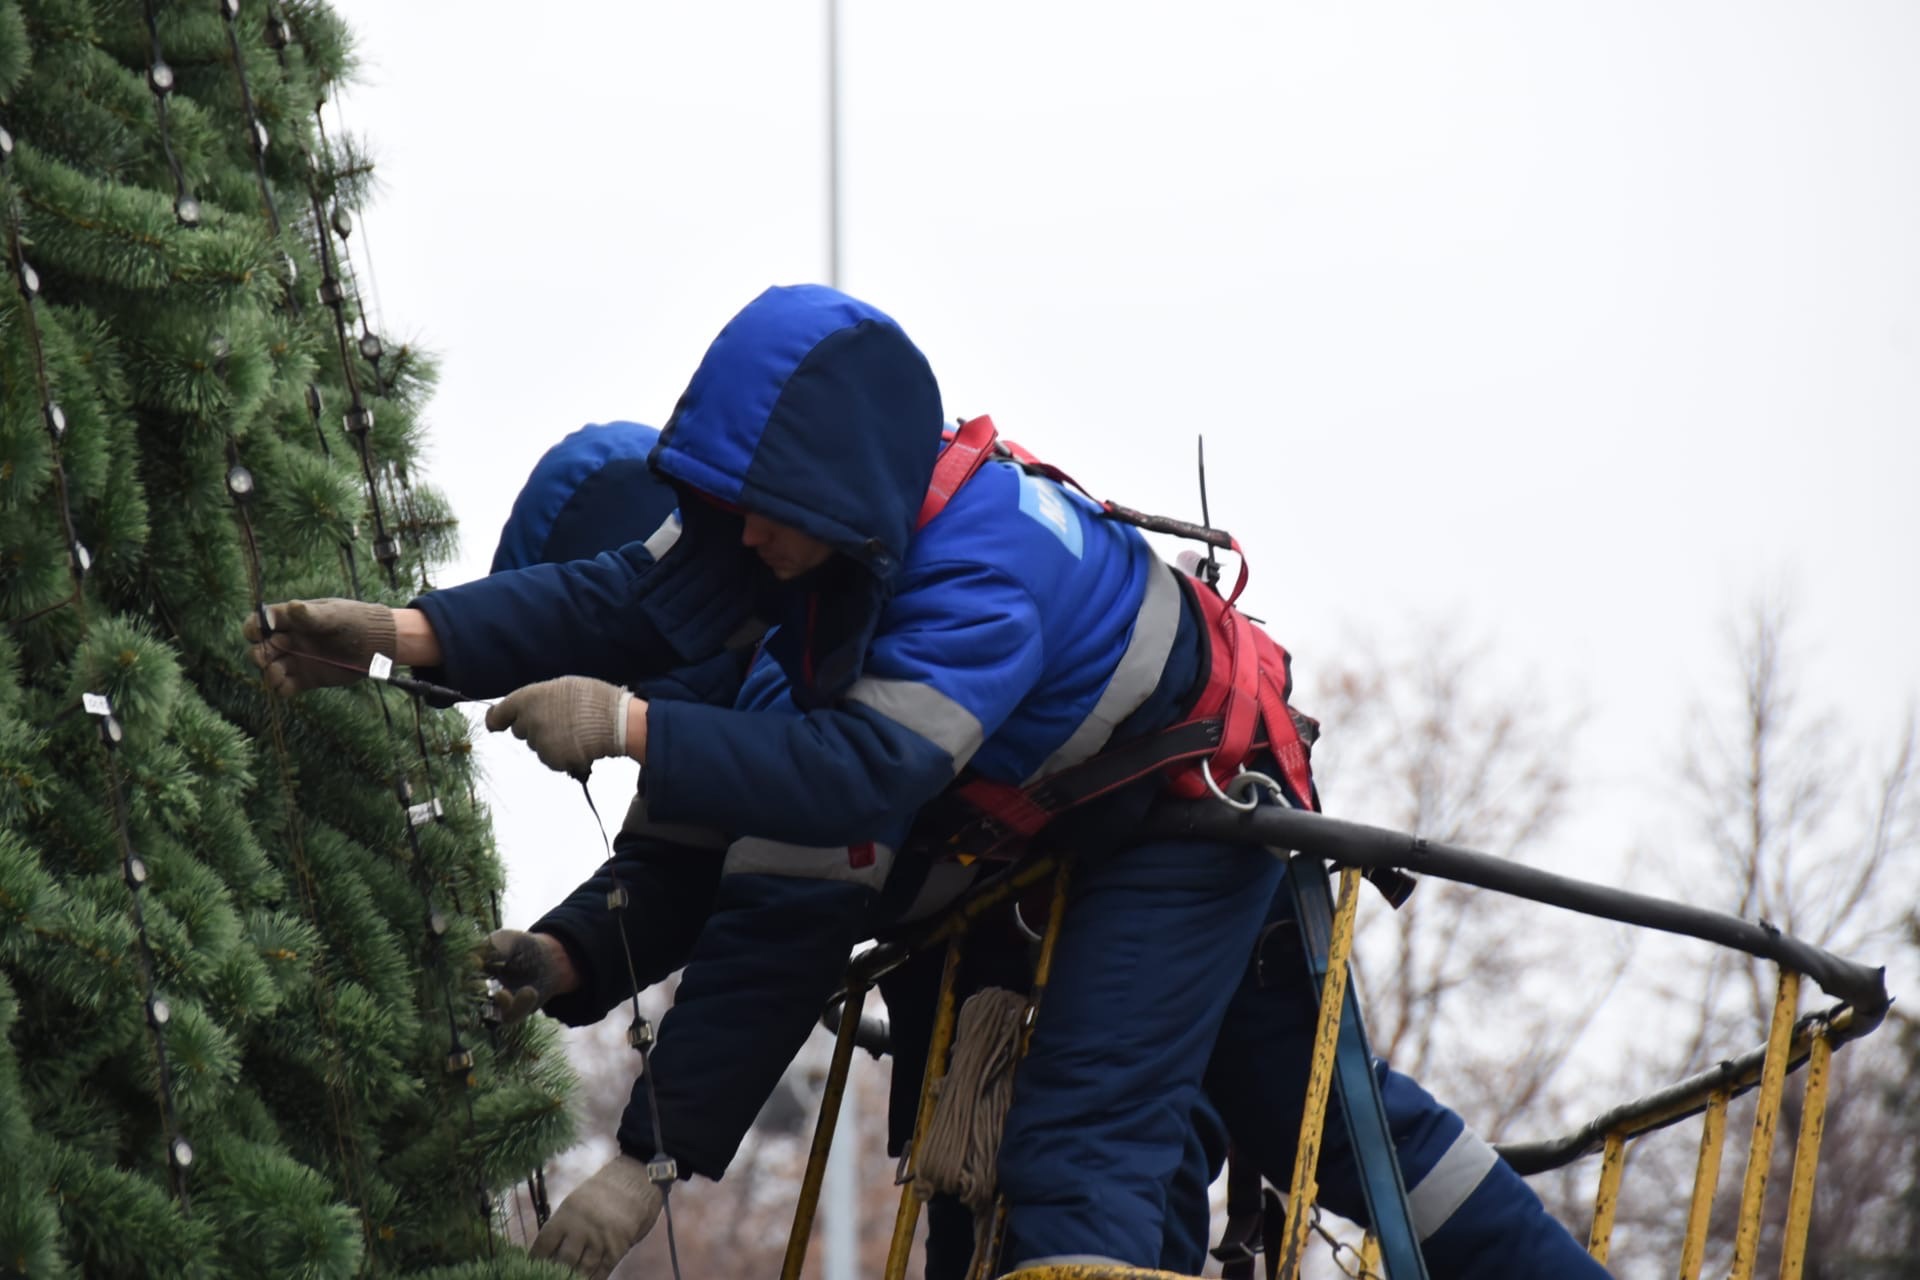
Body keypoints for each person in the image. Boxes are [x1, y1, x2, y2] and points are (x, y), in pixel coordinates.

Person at [248, 284, 1609, 1278]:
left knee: (1077, 1160)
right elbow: (623, 624)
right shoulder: (795, 582)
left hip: (1187, 831)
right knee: (1331, 1123)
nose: (739, 544)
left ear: (825, 495)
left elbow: (818, 833)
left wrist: (647, 1165)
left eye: (755, 515)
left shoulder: (957, 590)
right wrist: (408, 639)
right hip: (1102, 854)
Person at [460, 415, 1229, 1276]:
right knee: (976, 1200)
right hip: (996, 948)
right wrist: (567, 950)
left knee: (1085, 1169)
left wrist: (650, 1163)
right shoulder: (743, 677)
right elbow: (681, 857)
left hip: (1155, 864)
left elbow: (779, 924)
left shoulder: (819, 669)